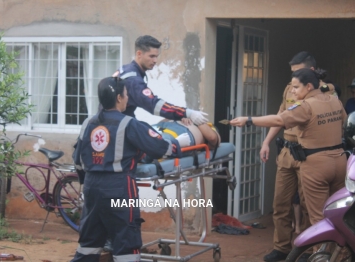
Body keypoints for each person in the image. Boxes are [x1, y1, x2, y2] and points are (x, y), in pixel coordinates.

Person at [71, 77, 188, 262]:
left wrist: (85, 185)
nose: (127, 99)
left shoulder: (88, 123)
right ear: (118, 98)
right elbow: (159, 147)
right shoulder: (129, 124)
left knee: (89, 243)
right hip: (119, 189)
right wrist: (178, 144)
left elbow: (77, 160)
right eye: (126, 95)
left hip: (92, 188)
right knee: (126, 242)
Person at [230, 68, 346, 246]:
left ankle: (320, 256)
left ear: (308, 86)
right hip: (340, 161)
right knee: (338, 214)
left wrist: (249, 120)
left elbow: (279, 120)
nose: (292, 90)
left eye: (296, 87)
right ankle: (342, 254)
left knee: (318, 219)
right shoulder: (334, 100)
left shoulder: (306, 106)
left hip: (316, 164)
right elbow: (344, 123)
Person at [259, 51, 333, 262]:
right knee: (281, 203)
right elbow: (280, 117)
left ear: (310, 72)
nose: (292, 80)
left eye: (297, 73)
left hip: (309, 154)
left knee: (312, 208)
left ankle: (309, 250)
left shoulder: (325, 91)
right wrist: (266, 142)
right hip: (287, 152)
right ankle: (281, 247)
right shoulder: (289, 89)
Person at [113, 35, 208, 126]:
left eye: (156, 56)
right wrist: (187, 113)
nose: (155, 61)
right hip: (118, 126)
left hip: (114, 122)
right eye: (151, 56)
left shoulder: (126, 69)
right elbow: (154, 105)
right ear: (139, 54)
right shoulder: (133, 80)